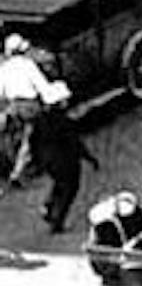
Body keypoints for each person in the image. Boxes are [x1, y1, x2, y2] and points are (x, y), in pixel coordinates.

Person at [31, 81, 97, 233]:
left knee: (59, 183)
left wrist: (38, 161)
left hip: (48, 161)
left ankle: (48, 206)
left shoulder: (40, 120)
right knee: (70, 189)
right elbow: (75, 143)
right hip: (66, 161)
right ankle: (57, 221)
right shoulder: (65, 122)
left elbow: (33, 141)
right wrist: (90, 159)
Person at [0, 35, 53, 187]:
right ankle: (18, 171)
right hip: (30, 106)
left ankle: (12, 162)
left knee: (11, 136)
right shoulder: (28, 65)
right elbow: (42, 86)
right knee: (28, 138)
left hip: (13, 106)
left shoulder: (3, 68)